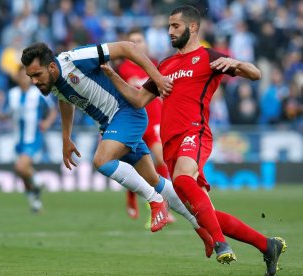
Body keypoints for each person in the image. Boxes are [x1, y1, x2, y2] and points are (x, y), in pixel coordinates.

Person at [101, 5, 287, 275]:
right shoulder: (165, 65)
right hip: (170, 143)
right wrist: (112, 75)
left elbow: (256, 74)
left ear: (192, 27)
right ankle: (267, 245)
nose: (170, 31)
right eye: (168, 26)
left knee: (184, 181)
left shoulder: (208, 57)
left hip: (195, 132)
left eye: (175, 26)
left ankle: (221, 244)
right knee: (203, 211)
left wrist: (237, 64)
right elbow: (139, 99)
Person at [21, 41, 215, 258]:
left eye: (37, 74)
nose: (34, 81)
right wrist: (66, 138)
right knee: (154, 180)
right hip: (111, 125)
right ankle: (202, 228)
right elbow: (65, 101)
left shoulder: (74, 60)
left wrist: (157, 78)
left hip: (127, 113)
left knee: (101, 161)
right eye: (30, 77)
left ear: (52, 67)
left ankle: (154, 200)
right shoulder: (52, 82)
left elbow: (127, 47)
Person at [116, 27, 175, 223]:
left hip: (155, 120)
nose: (137, 44)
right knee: (133, 164)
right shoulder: (124, 68)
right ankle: (131, 195)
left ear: (146, 44)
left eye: (139, 40)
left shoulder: (155, 65)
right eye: (132, 41)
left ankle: (164, 204)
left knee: (160, 160)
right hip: (134, 122)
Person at [7, 66, 58, 213]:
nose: (23, 78)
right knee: (23, 175)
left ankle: (38, 181)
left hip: (33, 138)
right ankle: (35, 203)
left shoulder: (39, 93)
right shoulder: (12, 94)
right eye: (20, 75)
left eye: (26, 75)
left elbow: (53, 110)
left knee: (21, 167)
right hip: (17, 139)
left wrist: (47, 122)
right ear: (16, 77)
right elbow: (7, 113)